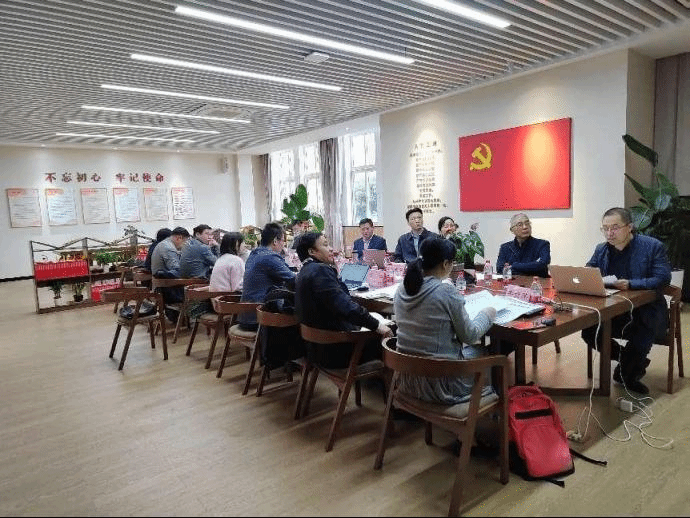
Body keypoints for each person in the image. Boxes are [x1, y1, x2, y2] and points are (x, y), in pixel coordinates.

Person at [394, 237, 497, 404]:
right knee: (486, 352)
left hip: (407, 379)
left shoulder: (402, 288)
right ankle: (493, 407)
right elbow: (470, 336)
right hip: (441, 385)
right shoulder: (445, 291)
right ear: (445, 264)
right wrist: (487, 313)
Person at [581, 207, 671, 395]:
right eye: (605, 228)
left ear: (629, 227)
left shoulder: (652, 246)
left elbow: (662, 278)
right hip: (615, 310)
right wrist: (586, 277)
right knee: (589, 331)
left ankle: (628, 374)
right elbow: (589, 270)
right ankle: (629, 362)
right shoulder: (602, 249)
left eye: (615, 228)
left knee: (642, 330)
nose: (609, 233)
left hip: (648, 310)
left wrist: (631, 284)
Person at [295, 231, 394, 369]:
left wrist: (334, 270)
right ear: (312, 251)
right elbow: (346, 307)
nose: (331, 249)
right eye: (325, 245)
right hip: (337, 351)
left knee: (372, 318)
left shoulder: (305, 271)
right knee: (393, 329)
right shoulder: (320, 271)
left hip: (316, 349)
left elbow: (341, 300)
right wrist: (377, 326)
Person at [238, 222, 296, 331]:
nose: (283, 244)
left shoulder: (254, 254)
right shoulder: (269, 256)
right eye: (283, 240)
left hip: (246, 316)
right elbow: (294, 279)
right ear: (275, 241)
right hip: (259, 318)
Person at [496, 213, 550, 277]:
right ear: (512, 230)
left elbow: (542, 265)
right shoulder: (505, 247)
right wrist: (531, 269)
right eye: (520, 225)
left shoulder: (542, 244)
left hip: (536, 282)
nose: (525, 227)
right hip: (513, 282)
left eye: (527, 223)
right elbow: (500, 269)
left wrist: (514, 265)